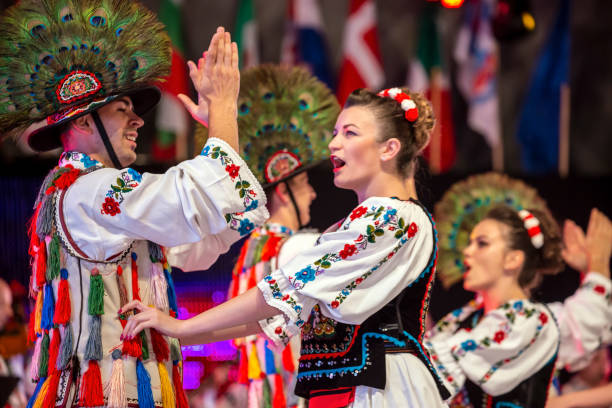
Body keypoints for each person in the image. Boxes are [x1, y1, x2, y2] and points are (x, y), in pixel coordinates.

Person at [0, 1, 268, 406]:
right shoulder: (91, 191)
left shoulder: (80, 191)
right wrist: (225, 110)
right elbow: (189, 204)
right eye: (122, 110)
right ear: (85, 122)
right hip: (111, 393)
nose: (138, 120)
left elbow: (197, 240)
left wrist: (221, 131)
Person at [120, 87, 452, 407]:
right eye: (336, 132)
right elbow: (280, 308)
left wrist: (181, 327)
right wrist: (177, 334)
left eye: (350, 133)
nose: (334, 143)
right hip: (353, 385)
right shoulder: (356, 225)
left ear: (389, 148)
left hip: (382, 389)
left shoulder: (394, 216)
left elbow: (286, 289)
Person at [193, 64, 339, 407]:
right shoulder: (299, 247)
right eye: (305, 189)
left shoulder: (250, 252)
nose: (314, 196)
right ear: (285, 192)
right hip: (296, 395)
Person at [428, 175, 612, 408]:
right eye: (471, 242)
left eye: (482, 243)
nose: (467, 251)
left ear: (513, 259)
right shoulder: (462, 320)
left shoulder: (530, 322)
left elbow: (589, 316)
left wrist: (597, 267)